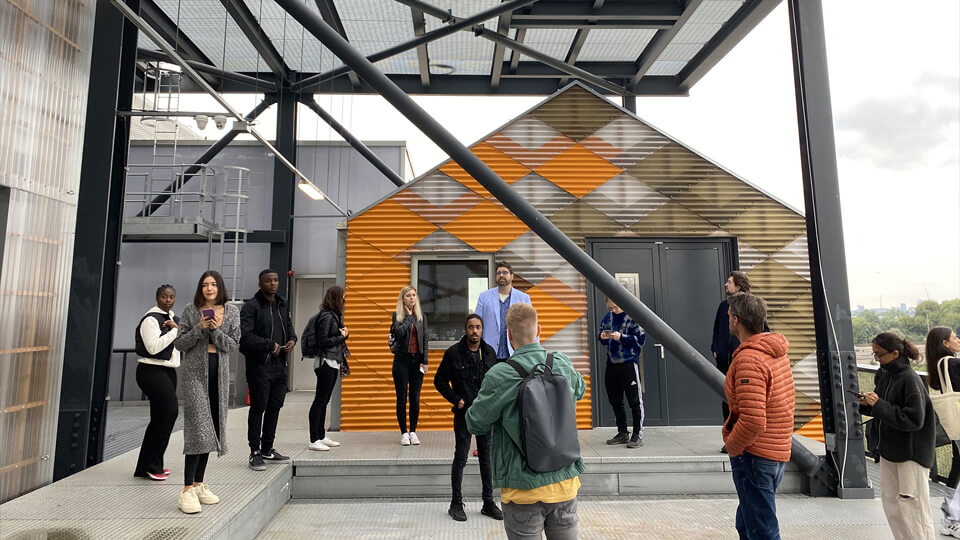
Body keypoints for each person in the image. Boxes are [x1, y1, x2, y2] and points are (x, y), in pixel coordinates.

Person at [466, 303, 586, 540]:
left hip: (522, 490)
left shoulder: (501, 374)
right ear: (538, 329)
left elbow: (475, 422)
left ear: (508, 335)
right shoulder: (561, 362)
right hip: (565, 483)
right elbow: (580, 390)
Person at [723, 292, 795, 540]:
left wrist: (732, 445)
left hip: (755, 456)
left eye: (729, 316)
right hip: (774, 451)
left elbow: (753, 419)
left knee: (761, 530)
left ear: (736, 321)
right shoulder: (775, 352)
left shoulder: (749, 359)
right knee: (747, 523)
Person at [173, 270, 240, 514]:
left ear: (220, 287)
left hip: (218, 377)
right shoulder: (191, 311)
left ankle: (199, 484)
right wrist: (200, 328)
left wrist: (215, 331)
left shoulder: (231, 312)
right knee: (198, 428)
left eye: (213, 284)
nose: (209, 289)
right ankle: (186, 489)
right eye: (204, 285)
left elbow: (232, 345)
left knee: (211, 427)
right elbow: (180, 344)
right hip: (194, 376)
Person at [858, 332, 935, 539]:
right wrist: (868, 405)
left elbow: (914, 420)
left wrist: (878, 405)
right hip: (890, 450)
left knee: (912, 508)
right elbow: (885, 407)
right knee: (892, 504)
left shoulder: (910, 380)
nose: (876, 359)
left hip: (911, 454)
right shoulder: (886, 375)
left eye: (878, 355)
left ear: (895, 353)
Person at [433, 314, 501, 522]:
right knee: (461, 457)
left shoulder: (489, 353)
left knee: (486, 459)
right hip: (464, 414)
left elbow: (496, 381)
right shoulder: (453, 353)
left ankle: (488, 502)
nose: (474, 331)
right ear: (466, 329)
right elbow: (439, 381)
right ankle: (456, 503)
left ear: (482, 329)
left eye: (478, 327)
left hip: (485, 414)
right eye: (471, 327)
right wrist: (456, 399)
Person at [239, 269, 297, 471]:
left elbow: (289, 328)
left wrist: (292, 340)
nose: (273, 283)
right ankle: (254, 451)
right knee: (258, 408)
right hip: (259, 366)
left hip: (279, 365)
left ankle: (267, 448)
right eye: (268, 280)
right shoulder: (251, 307)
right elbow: (245, 338)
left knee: (275, 406)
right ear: (260, 283)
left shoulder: (281, 304)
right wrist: (269, 345)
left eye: (275, 280)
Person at [711, 270, 767, 453]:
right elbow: (717, 329)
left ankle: (743, 440)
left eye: (729, 282)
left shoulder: (750, 306)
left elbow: (763, 330)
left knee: (745, 400)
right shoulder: (722, 306)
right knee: (726, 400)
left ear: (739, 286)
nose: (725, 284)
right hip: (724, 362)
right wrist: (715, 349)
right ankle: (730, 439)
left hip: (743, 360)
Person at [133, 284, 180, 481]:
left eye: (171, 297)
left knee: (160, 417)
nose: (168, 300)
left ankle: (148, 466)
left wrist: (176, 330)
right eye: (164, 296)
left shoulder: (173, 319)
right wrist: (174, 333)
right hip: (151, 370)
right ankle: (151, 464)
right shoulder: (150, 319)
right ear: (157, 298)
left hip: (168, 371)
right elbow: (152, 348)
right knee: (169, 412)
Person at [597, 296, 646, 448]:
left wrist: (622, 337)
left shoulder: (633, 317)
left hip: (629, 363)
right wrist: (602, 336)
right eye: (610, 308)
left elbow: (641, 340)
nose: (613, 310)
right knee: (615, 400)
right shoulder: (608, 317)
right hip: (611, 364)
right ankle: (622, 432)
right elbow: (600, 335)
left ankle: (637, 434)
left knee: (634, 401)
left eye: (616, 307)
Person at [307, 285, 350, 451]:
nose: (344, 301)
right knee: (320, 400)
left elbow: (335, 337)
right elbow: (323, 341)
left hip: (332, 361)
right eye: (342, 298)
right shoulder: (327, 317)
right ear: (336, 299)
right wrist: (342, 337)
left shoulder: (334, 316)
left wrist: (344, 335)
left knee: (324, 401)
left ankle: (321, 435)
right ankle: (313, 439)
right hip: (325, 362)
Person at [927, 326, 960, 537]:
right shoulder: (951, 363)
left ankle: (950, 517)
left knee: (958, 465)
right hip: (958, 421)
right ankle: (951, 518)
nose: (958, 340)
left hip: (955, 423)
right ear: (945, 343)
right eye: (955, 337)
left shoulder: (937, 366)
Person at [389, 285, 429, 446]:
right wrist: (407, 316)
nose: (412, 298)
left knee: (415, 397)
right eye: (408, 295)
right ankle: (404, 433)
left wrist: (425, 361)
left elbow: (425, 339)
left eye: (414, 295)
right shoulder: (397, 316)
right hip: (401, 361)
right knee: (401, 398)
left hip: (417, 361)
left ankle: (413, 431)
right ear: (403, 299)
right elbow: (399, 333)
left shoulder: (422, 316)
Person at [475, 261, 532, 362]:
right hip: (489, 354)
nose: (501, 275)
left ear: (512, 276)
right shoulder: (484, 297)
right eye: (498, 273)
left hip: (516, 354)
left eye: (505, 272)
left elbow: (531, 327)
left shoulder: (523, 298)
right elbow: (476, 324)